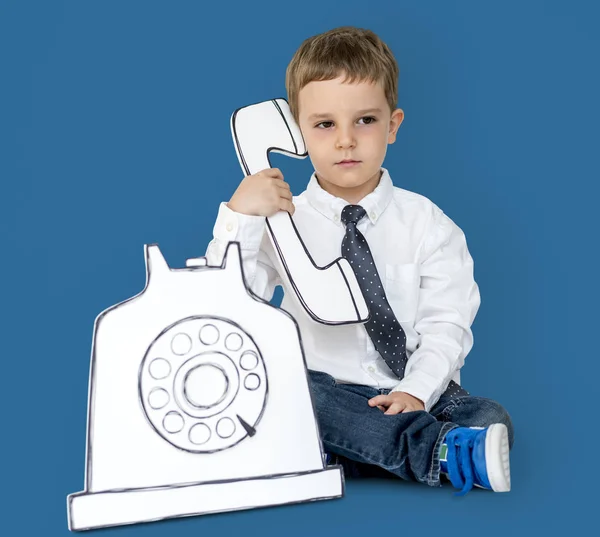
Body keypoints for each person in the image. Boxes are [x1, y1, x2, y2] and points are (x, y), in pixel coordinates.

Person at [204, 26, 513, 495]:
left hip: (413, 389)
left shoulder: (428, 224)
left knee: (489, 417)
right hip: (326, 389)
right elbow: (226, 308)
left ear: (393, 125)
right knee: (287, 389)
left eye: (365, 120)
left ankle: (344, 450)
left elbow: (447, 324)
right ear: (298, 132)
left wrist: (416, 391)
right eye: (325, 124)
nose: (346, 140)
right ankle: (431, 453)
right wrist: (239, 218)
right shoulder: (278, 220)